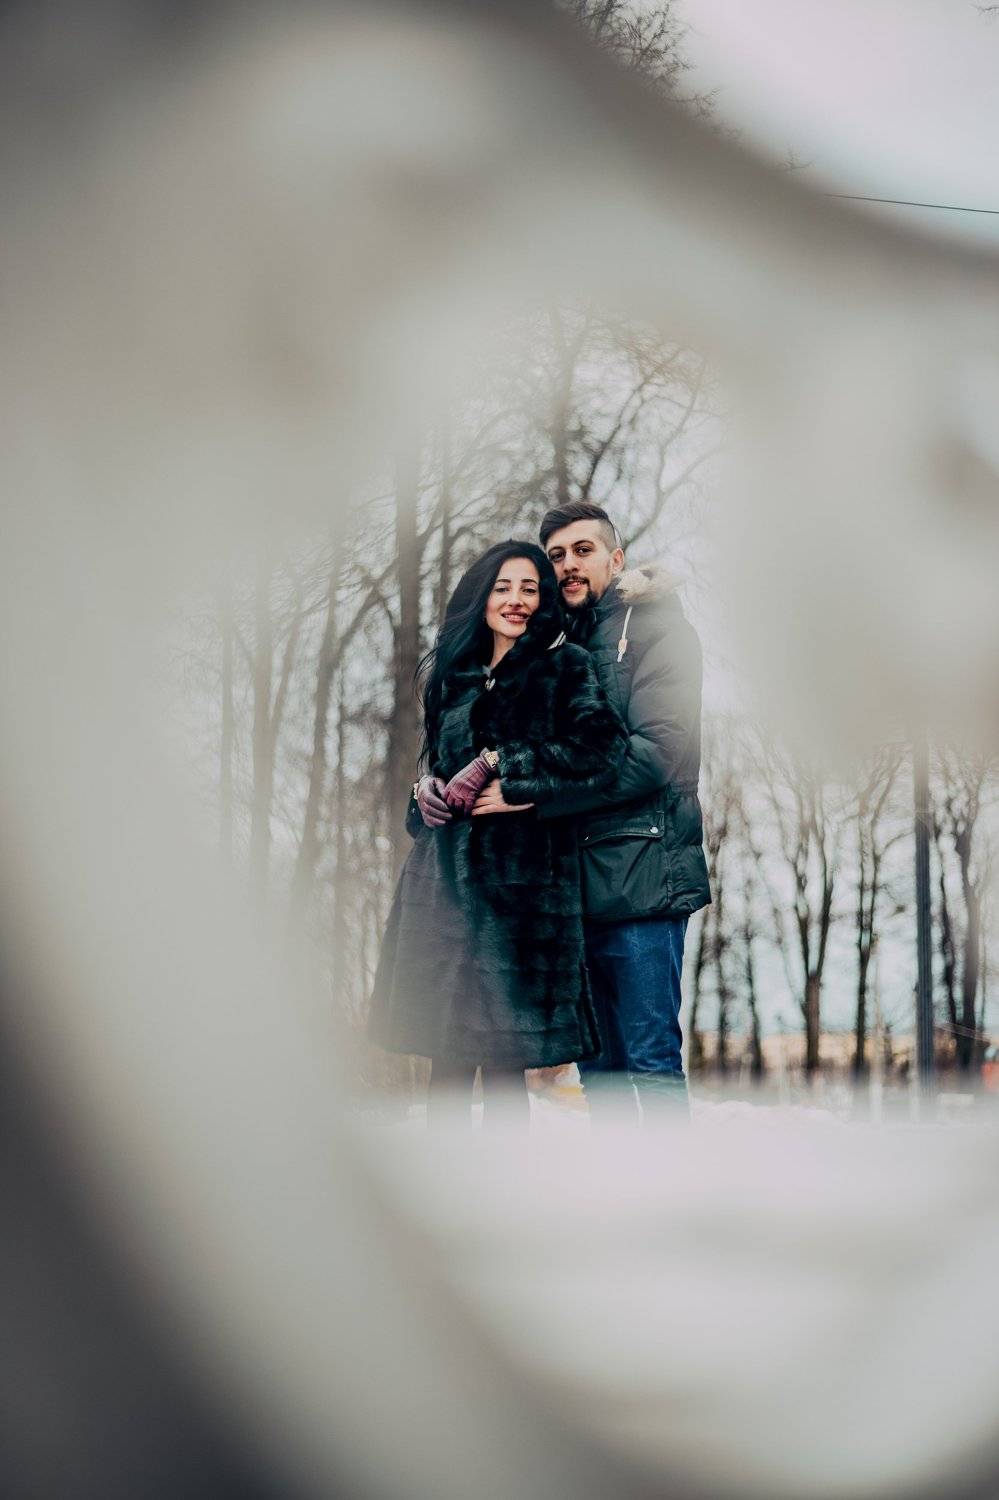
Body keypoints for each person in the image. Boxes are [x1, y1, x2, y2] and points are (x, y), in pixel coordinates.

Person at [369, 540, 626, 1125]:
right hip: (441, 897)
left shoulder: (566, 668)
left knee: (506, 1067)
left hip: (522, 899)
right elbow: (435, 773)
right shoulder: (452, 680)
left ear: (543, 601)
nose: (515, 600)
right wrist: (423, 794)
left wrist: (505, 765)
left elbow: (602, 748)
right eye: (503, 587)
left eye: (529, 589)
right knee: (446, 1066)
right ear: (482, 596)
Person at [532, 500, 711, 1119]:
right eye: (556, 555)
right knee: (598, 1074)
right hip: (574, 894)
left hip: (644, 882)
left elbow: (654, 755)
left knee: (650, 1064)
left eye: (582, 550)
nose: (568, 565)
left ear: (616, 558)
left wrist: (543, 794)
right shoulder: (555, 645)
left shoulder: (662, 631)